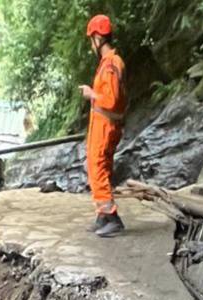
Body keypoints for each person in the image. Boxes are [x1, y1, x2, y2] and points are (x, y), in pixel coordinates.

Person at [82, 14, 128, 238]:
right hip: (105, 123)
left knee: (97, 167)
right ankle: (102, 214)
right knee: (101, 167)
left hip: (105, 124)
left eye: (92, 39)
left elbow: (110, 99)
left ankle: (112, 217)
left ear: (98, 38)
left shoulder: (110, 64)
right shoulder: (109, 62)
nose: (91, 44)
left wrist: (91, 94)